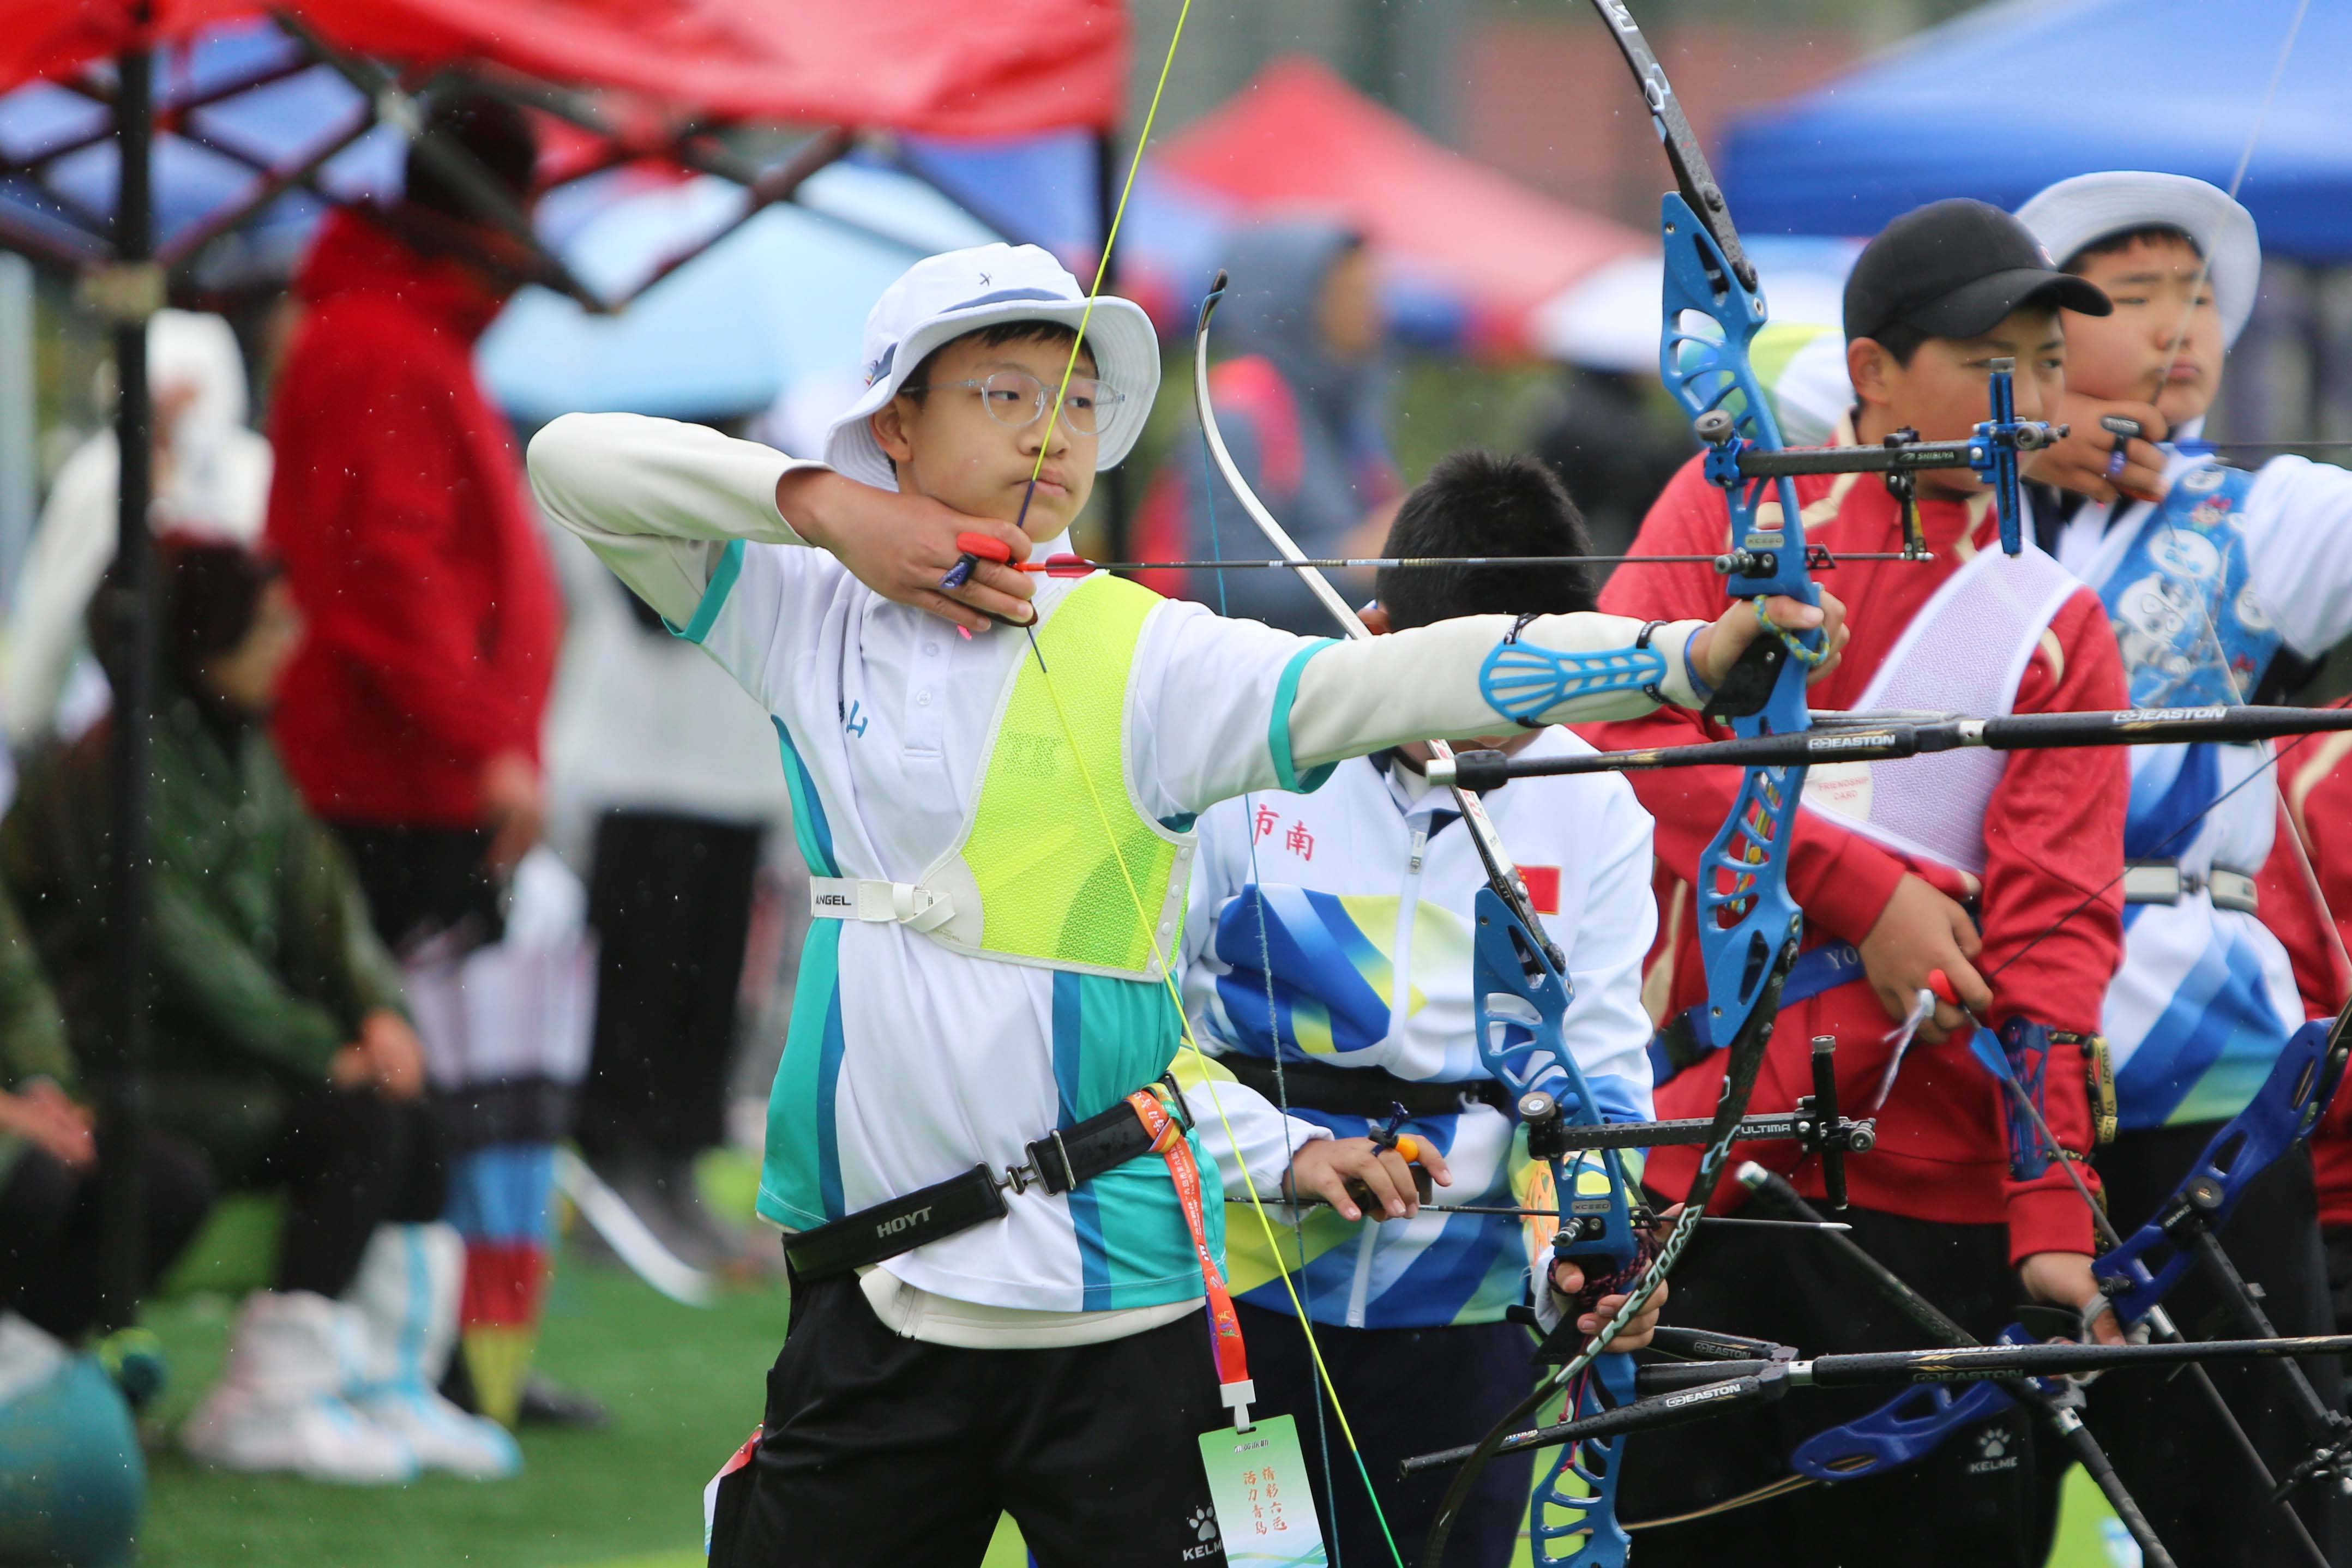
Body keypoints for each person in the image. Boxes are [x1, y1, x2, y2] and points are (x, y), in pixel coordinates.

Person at [526, 240, 1842, 1568]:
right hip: (878, 1285)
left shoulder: (1147, 652)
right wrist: (829, 509)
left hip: (1125, 1314)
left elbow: (1393, 679)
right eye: (1002, 392)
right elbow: (572, 463)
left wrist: (1681, 655)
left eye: (1075, 402)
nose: (1048, 432)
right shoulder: (803, 610)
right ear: (897, 423)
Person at [1590, 199, 2132, 1568]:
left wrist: (2052, 1212)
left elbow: (2057, 931)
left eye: (2047, 366)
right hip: (1708, 1163)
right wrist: (1862, 893)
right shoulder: (1732, 505)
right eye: (1989, 364)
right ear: (1871, 373)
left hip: (1939, 1180)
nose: (2028, 402)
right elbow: (1607, 725)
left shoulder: (2056, 621)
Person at [1181, 450, 1663, 1567]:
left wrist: (1592, 1253)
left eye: (1528, 697)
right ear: (1376, 636)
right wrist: (1287, 1153)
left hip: (1462, 1333)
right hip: (1236, 1310)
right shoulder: (1244, 765)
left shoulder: (1594, 805)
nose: (1491, 732)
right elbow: (1152, 1035)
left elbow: (1592, 1075)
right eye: (1459, 693)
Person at [1, 539, 516, 1484]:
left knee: (409, 1121)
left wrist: (379, 1012)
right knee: (332, 1133)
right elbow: (178, 953)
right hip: (143, 1073)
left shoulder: (243, 747)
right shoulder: (110, 770)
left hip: (214, 1071)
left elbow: (324, 901)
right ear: (203, 639)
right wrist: (323, 1053)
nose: (292, 639)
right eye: (269, 624)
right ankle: (260, 1398)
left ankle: (379, 1381)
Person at [2015, 172, 2352, 1564]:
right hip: (1985, 1054)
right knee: (1971, 1473)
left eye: (2200, 298)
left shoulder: (2259, 515)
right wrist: (2015, 444)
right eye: (2132, 295)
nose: (2179, 328)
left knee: (2254, 1480)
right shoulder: (1957, 515)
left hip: (2208, 1062)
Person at [263, 88, 560, 950]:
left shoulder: (405, 335)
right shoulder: (382, 344)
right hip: (382, 788)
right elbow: (388, 574)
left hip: (407, 780)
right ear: (506, 208)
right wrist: (484, 743)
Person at [5, 309, 270, 748]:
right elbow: (51, 614)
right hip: (117, 725)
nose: (169, 424)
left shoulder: (251, 475)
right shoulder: (97, 481)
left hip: (236, 728)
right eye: (155, 406)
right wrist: (25, 726)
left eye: (182, 403)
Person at [1133, 219, 1400, 632]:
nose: (1375, 313)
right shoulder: (1241, 412)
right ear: (1294, 300)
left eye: (1374, 292)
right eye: (1352, 293)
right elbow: (1217, 579)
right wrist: (1356, 560)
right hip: (1238, 667)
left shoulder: (1343, 408)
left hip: (1317, 663)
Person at [0, 872, 212, 1347]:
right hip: (13, 1133)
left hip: (23, 1118)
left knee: (168, 1184)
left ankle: (36, 1353)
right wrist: (10, 1114)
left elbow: (20, 997)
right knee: (34, 1180)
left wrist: (43, 1092)